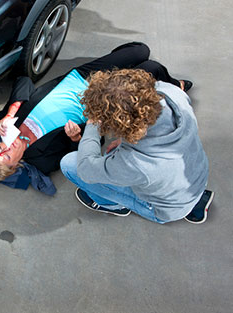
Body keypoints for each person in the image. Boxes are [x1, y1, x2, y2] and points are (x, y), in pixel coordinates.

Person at [0, 42, 192, 194]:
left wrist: (10, 113)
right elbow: (81, 153)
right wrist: (75, 138)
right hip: (100, 100)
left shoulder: (7, 124)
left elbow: (23, 81)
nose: (5, 149)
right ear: (16, 166)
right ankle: (175, 85)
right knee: (150, 69)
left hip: (79, 77)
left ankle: (134, 74)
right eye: (5, 157)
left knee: (139, 50)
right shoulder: (41, 160)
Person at [60, 68, 213, 224]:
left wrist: (93, 123)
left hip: (165, 209)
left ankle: (112, 205)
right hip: (195, 177)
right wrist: (123, 140)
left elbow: (87, 170)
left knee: (70, 165)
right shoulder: (173, 94)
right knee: (115, 157)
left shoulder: (135, 162)